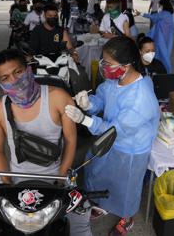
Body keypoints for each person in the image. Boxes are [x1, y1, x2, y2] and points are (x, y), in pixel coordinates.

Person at [0, 49, 91, 236]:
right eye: (5, 78)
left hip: (56, 180)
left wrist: (61, 178)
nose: (14, 80)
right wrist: (6, 183)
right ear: (0, 83)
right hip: (15, 182)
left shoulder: (59, 97)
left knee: (81, 225)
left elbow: (71, 140)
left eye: (18, 72)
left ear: (29, 69)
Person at [64, 36, 160, 236]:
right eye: (103, 62)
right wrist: (89, 104)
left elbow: (114, 130)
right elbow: (102, 97)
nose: (104, 67)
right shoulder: (116, 79)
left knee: (125, 187)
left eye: (108, 63)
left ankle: (127, 217)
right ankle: (100, 205)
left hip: (129, 148)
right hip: (107, 141)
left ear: (126, 64)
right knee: (98, 173)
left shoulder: (140, 97)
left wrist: (85, 120)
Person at [142, 0, 174, 73]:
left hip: (162, 39)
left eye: (159, 5)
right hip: (165, 38)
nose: (159, 7)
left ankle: (165, 70)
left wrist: (141, 14)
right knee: (162, 54)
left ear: (163, 5)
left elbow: (153, 17)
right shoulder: (169, 14)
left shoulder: (164, 14)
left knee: (163, 55)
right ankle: (161, 69)